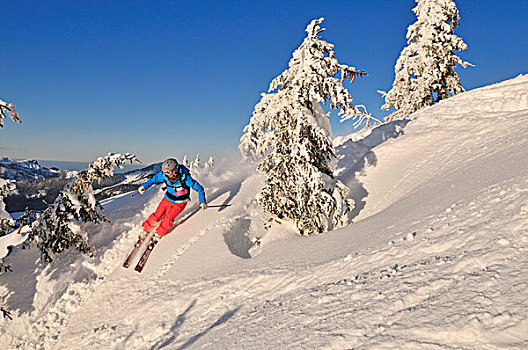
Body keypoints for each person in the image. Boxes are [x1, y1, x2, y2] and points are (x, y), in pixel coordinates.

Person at [137, 158, 207, 240]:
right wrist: (144, 187)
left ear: (175, 170)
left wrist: (202, 202)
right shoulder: (164, 176)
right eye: (164, 172)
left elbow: (199, 189)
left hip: (180, 202)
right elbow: (153, 180)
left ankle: (159, 233)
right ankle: (146, 230)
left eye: (168, 172)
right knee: (157, 214)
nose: (166, 174)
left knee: (169, 218)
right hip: (167, 199)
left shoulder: (186, 179)